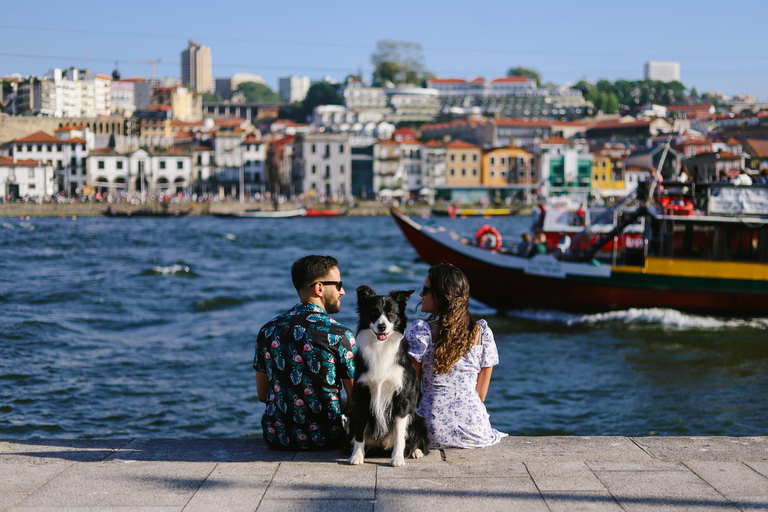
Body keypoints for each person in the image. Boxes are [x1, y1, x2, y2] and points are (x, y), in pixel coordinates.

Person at [253, 254, 356, 450]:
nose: (342, 291)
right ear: (319, 288)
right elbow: (354, 401)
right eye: (338, 285)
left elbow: (262, 394)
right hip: (329, 438)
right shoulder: (340, 335)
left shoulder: (268, 331)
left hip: (278, 437)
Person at [406, 263, 507, 449]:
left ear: (443, 296)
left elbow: (412, 389)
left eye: (426, 290)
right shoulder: (482, 333)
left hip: (431, 430)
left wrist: (431, 401)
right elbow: (481, 395)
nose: (421, 295)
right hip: (475, 431)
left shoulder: (422, 332)